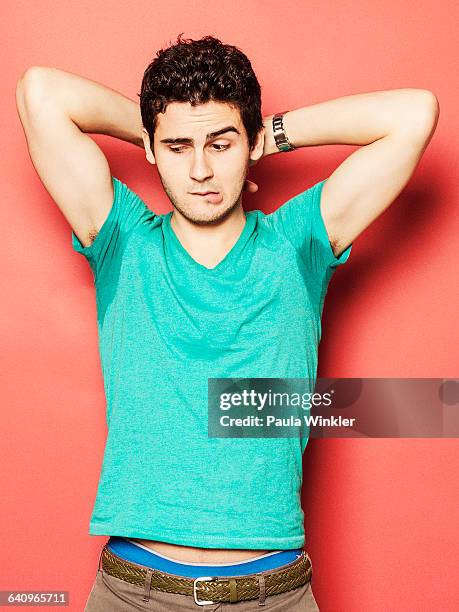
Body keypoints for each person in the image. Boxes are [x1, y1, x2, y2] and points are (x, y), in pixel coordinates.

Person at [15, 33, 438, 611]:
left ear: (250, 143)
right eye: (177, 147)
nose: (200, 169)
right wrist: (154, 126)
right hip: (132, 593)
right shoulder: (124, 240)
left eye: (221, 144)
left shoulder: (297, 243)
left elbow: (414, 114)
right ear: (152, 148)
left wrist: (269, 134)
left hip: (276, 593)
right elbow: (40, 93)